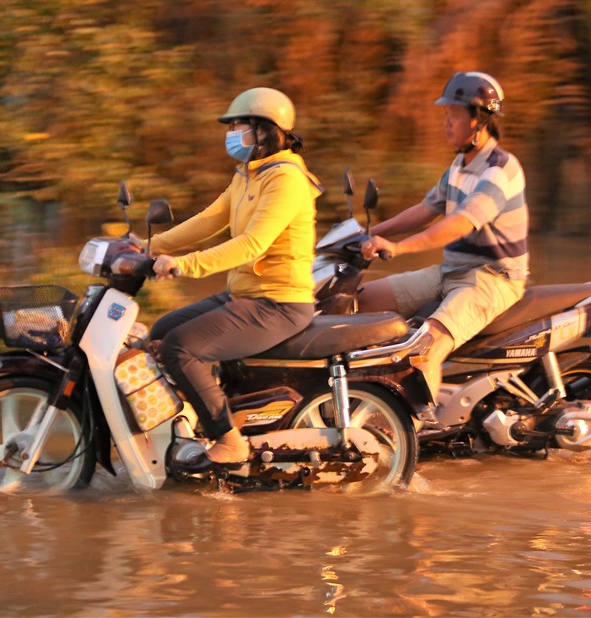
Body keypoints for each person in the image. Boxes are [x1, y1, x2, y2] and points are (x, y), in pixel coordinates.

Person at [147, 87, 323, 469]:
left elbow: (253, 244)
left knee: (180, 346)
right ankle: (197, 416)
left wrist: (183, 265)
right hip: (243, 296)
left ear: (264, 131)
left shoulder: (286, 179)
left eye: (238, 125)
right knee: (161, 331)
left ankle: (229, 442)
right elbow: (210, 219)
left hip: (279, 303)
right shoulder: (249, 174)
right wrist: (149, 245)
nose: (232, 134)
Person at [359, 71, 528, 399]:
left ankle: (419, 433)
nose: (446, 123)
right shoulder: (460, 165)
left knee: (424, 351)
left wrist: (399, 247)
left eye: (453, 115)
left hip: (492, 280)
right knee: (359, 301)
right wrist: (364, 233)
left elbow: (461, 223)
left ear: (479, 120)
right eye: (445, 115)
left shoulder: (500, 169)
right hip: (451, 272)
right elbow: (426, 209)